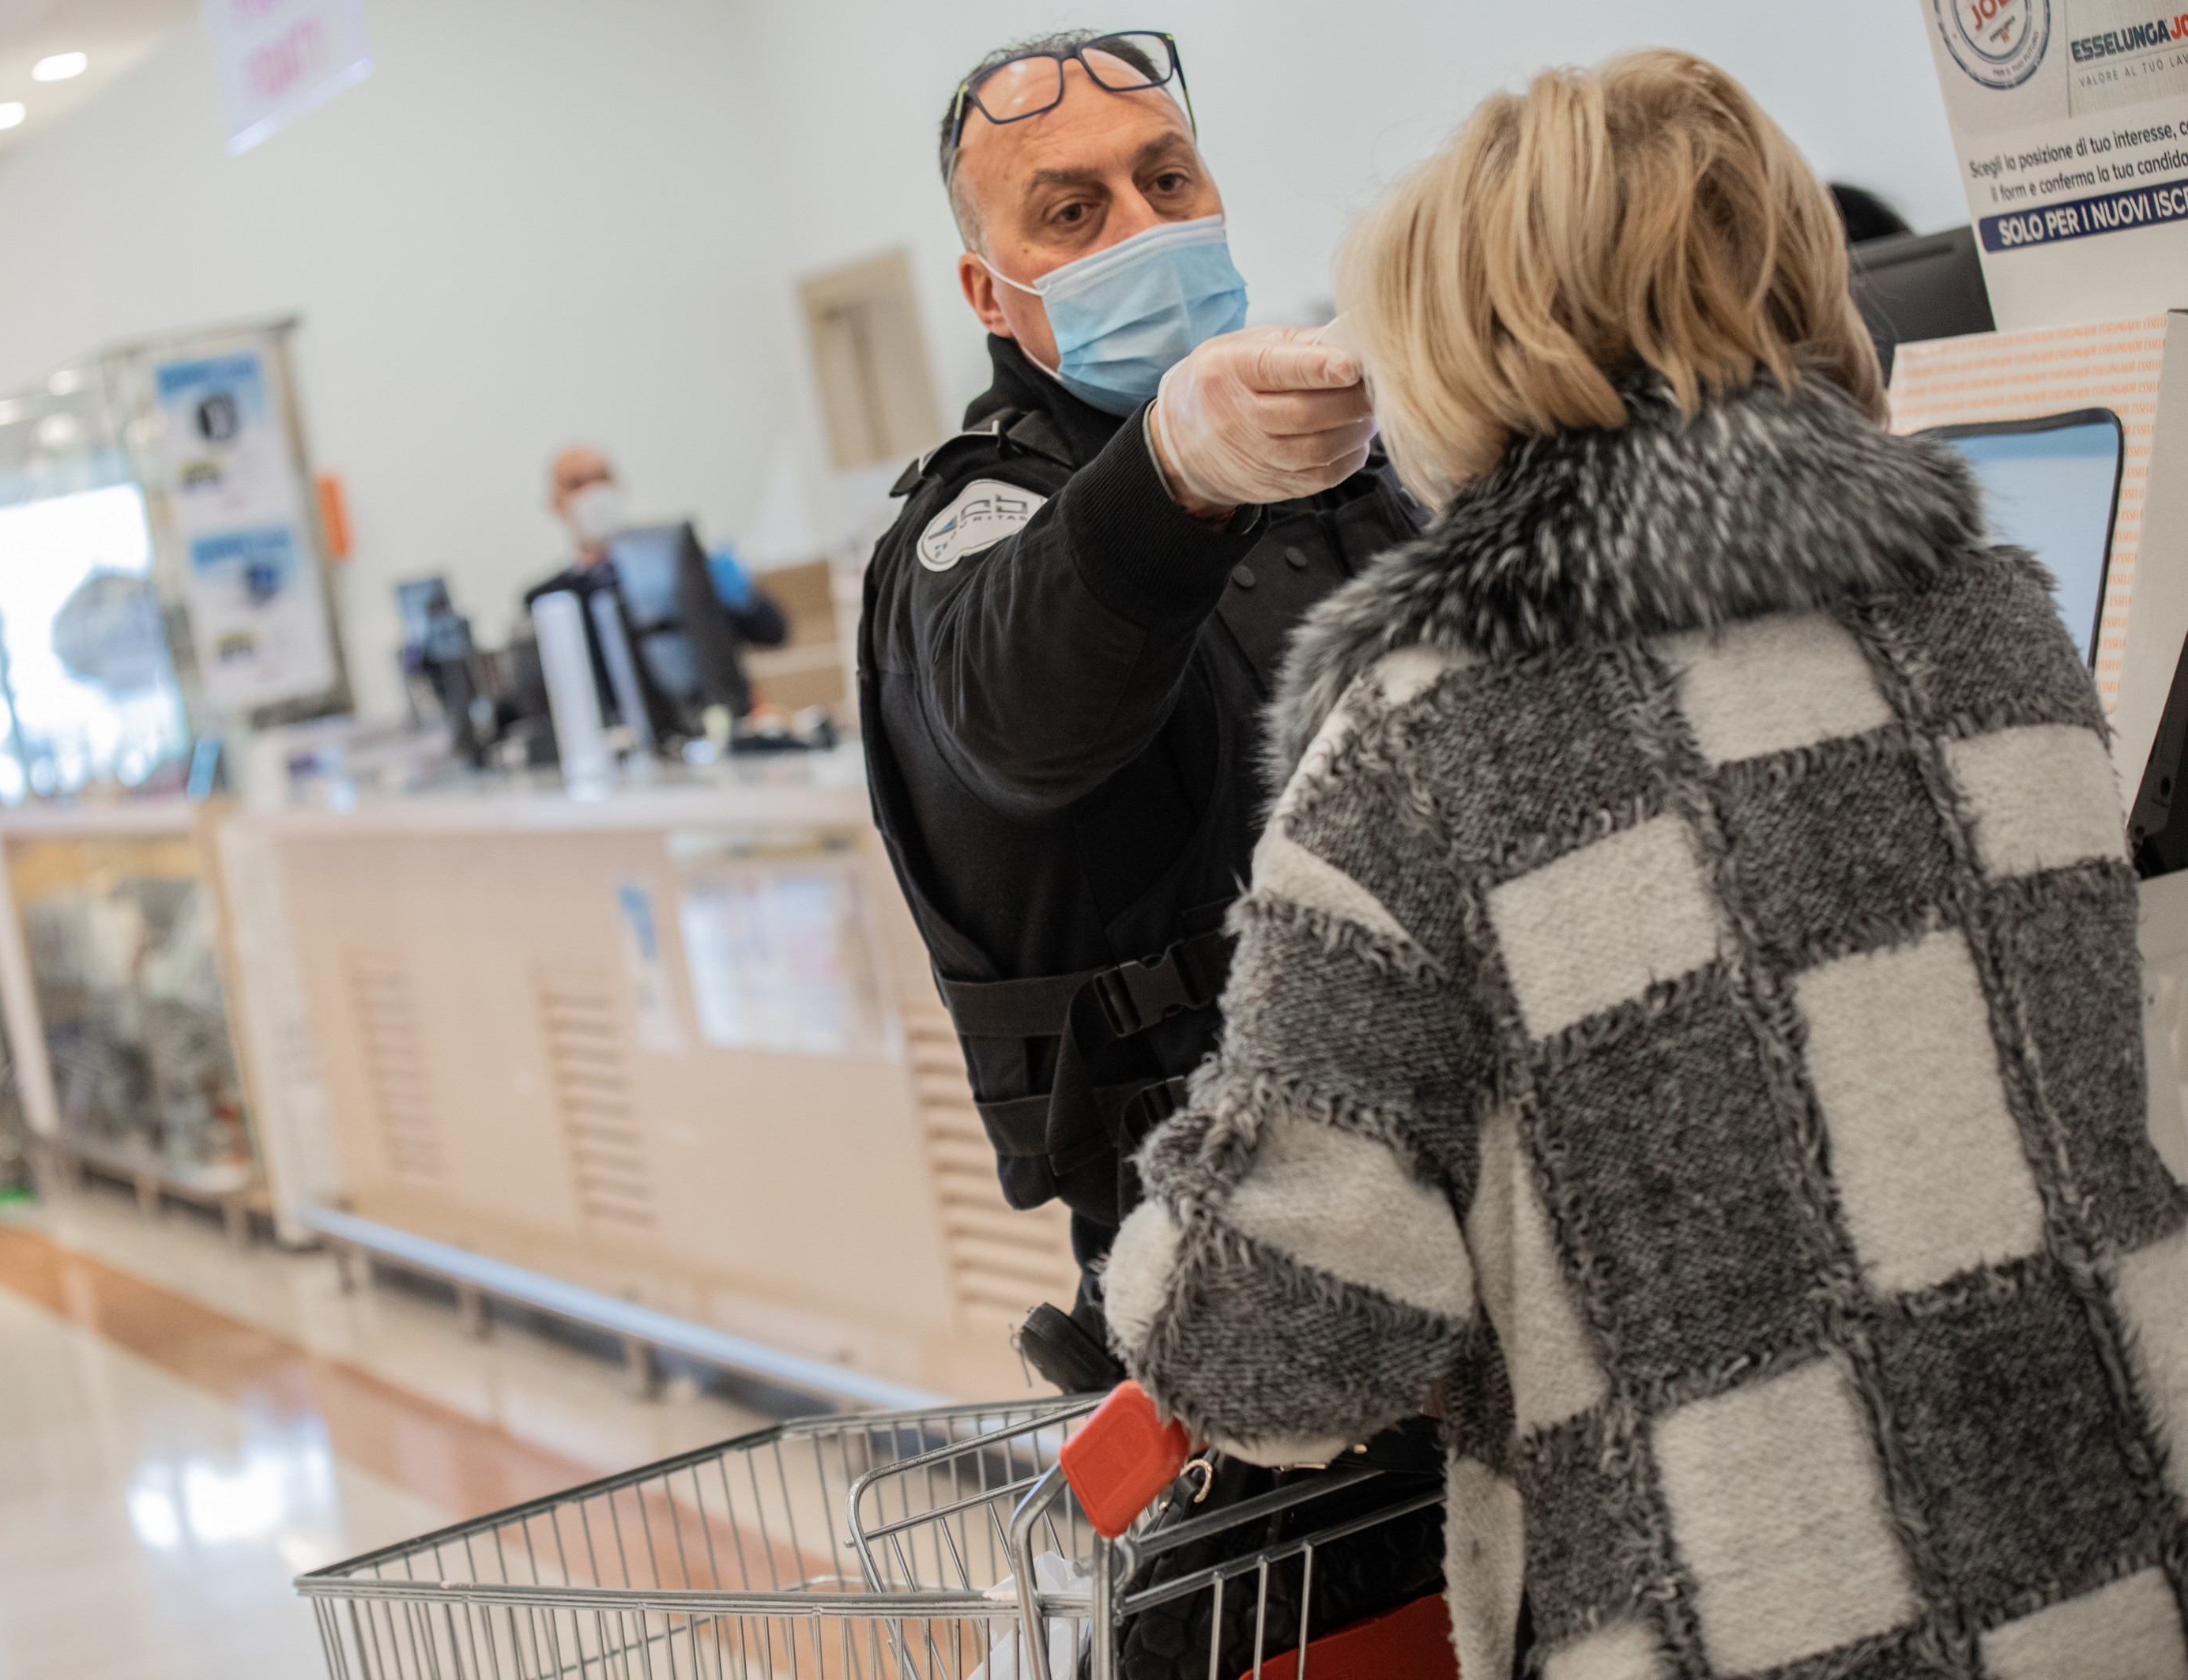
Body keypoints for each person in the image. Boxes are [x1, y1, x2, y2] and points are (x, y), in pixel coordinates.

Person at [1104, 49, 2188, 1680]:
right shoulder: (1998, 628)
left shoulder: (1416, 749)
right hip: (2109, 1594)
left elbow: (1277, 1349)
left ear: (1460, 353)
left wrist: (1176, 1246)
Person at [857, 28, 1425, 1388]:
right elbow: (1021, 709)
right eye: (1071, 210)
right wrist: (1171, 475)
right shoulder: (968, 530)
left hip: (1457, 1147)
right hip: (1225, 1261)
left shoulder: (1342, 456)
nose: (1142, 227)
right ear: (987, 292)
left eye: (1166, 181)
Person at [533, 446, 786, 649]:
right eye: (577, 484)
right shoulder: (547, 600)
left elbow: (772, 634)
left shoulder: (677, 565)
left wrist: (745, 601)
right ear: (555, 502)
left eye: (602, 478)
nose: (594, 493)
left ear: (618, 485)